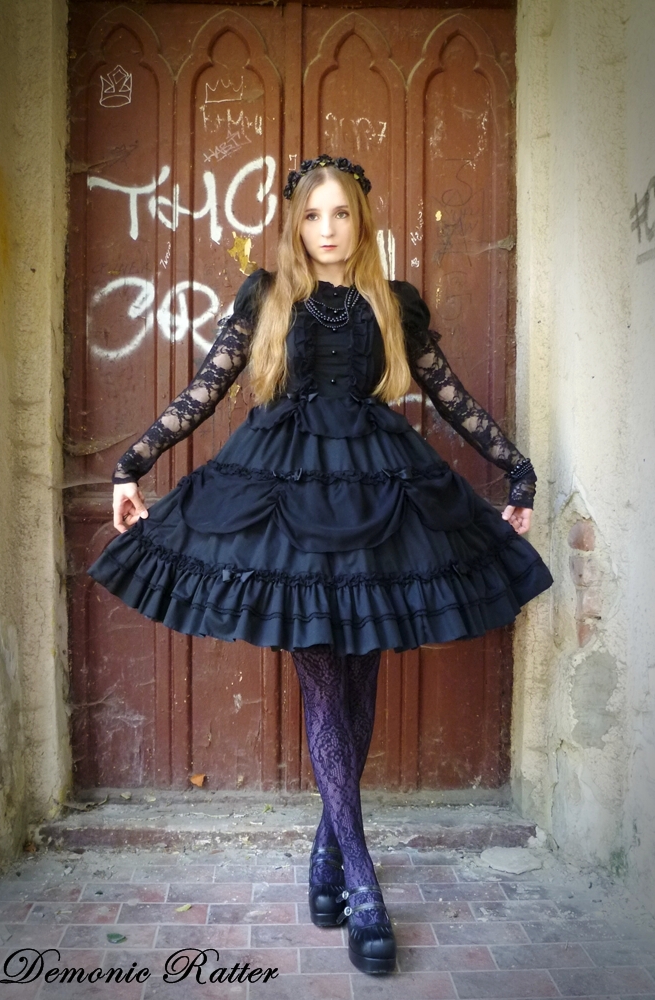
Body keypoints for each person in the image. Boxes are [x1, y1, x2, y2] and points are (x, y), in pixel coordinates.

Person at [88, 154, 553, 975]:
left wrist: (517, 471)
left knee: (359, 680)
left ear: (359, 220)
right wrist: (131, 464)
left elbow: (448, 395)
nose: (327, 229)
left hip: (378, 494)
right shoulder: (266, 296)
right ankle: (363, 881)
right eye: (312, 215)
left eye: (340, 214)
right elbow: (205, 388)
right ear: (294, 224)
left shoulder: (393, 303)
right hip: (286, 502)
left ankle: (327, 850)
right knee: (324, 682)